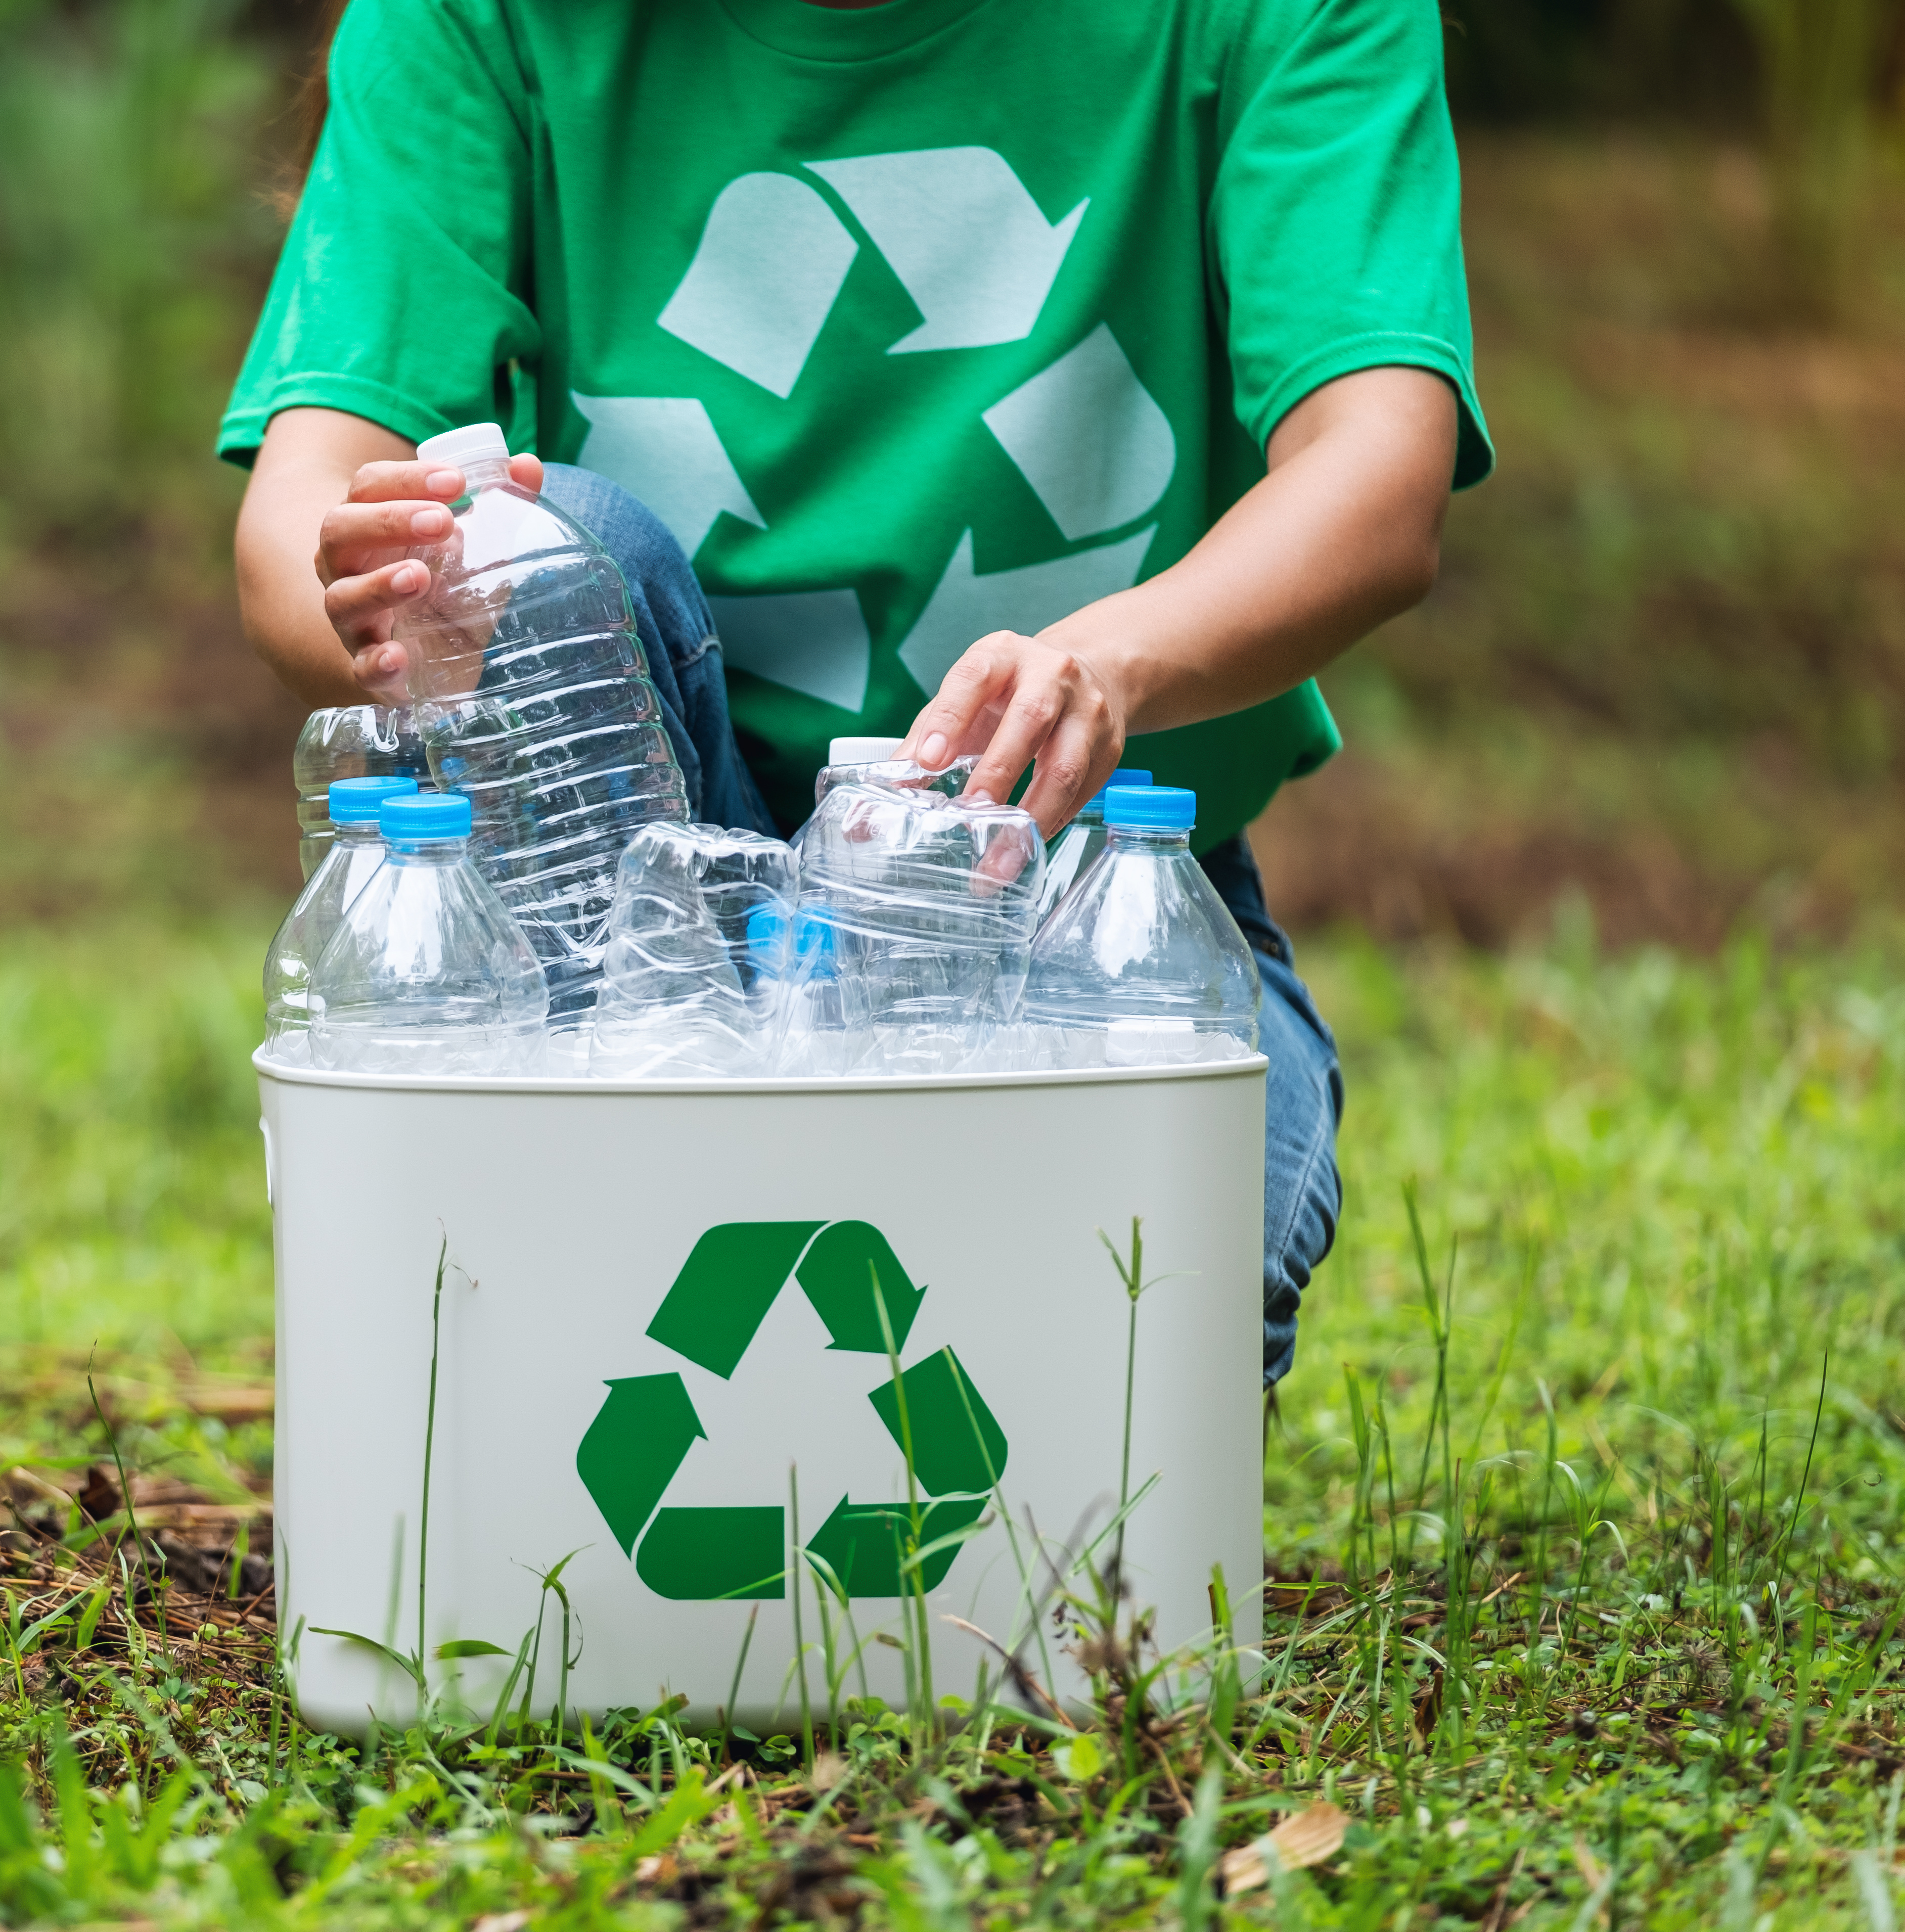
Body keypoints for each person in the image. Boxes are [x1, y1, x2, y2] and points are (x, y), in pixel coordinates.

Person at [219, 0, 1493, 1387]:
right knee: (562, 533)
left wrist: (1108, 663)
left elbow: (1378, 472)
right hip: (623, 910)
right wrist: (400, 600)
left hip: (1063, 895)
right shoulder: (480, 20)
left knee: (1142, 1310)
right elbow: (304, 511)